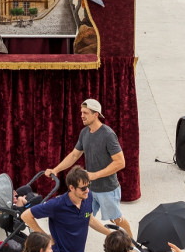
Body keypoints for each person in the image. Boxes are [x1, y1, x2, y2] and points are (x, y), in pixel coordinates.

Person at [45, 99, 131, 238]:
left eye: (85, 113)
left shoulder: (108, 135)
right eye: (81, 113)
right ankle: (65, 241)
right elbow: (74, 155)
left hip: (107, 189)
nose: (82, 116)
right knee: (82, 215)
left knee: (116, 219)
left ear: (96, 114)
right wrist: (56, 169)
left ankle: (132, 245)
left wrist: (94, 175)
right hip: (90, 189)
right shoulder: (84, 133)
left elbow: (120, 163)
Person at [19, 168, 116, 252]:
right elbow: (26, 215)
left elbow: (89, 219)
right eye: (83, 188)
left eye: (88, 186)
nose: (87, 191)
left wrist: (110, 233)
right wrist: (45, 237)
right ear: (71, 188)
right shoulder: (56, 205)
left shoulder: (87, 197)